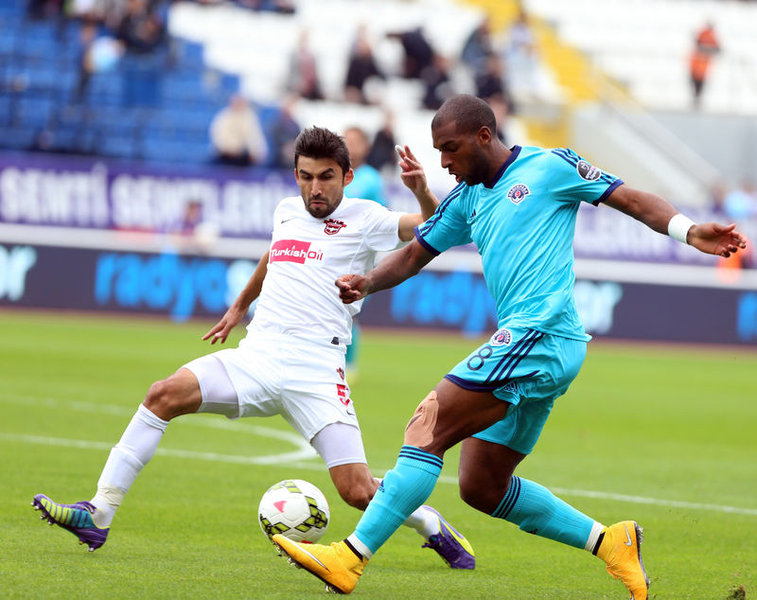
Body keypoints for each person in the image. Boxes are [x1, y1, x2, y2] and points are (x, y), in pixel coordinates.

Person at [271, 95, 749, 598]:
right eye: (438, 151)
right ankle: (611, 542)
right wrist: (367, 281)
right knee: (482, 485)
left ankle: (350, 558)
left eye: (451, 149)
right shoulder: (468, 197)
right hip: (540, 347)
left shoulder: (550, 167)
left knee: (428, 426)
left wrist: (689, 230)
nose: (444, 162)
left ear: (484, 136)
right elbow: (414, 254)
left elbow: (630, 199)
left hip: (540, 334)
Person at [30, 126, 476, 571]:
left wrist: (421, 192)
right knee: (162, 394)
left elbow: (432, 227)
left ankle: (428, 522)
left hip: (317, 371)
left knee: (357, 491)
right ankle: (99, 513)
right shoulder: (286, 211)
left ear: (347, 176)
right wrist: (239, 305)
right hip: (256, 357)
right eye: (306, 177)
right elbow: (274, 253)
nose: (315, 188)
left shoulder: (368, 217)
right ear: (295, 175)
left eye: (326, 177)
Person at [342, 126, 387, 379]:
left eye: (355, 142)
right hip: (334, 251)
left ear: (365, 147)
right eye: (345, 141)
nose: (350, 147)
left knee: (350, 310)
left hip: (359, 254)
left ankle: (348, 365)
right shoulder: (335, 174)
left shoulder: (370, 178)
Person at [209, 94, 268, 167]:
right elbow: (218, 137)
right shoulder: (223, 117)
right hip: (225, 155)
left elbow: (255, 138)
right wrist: (230, 149)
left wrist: (256, 153)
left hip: (242, 156)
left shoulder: (249, 118)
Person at [689, 21, 720, 108]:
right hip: (698, 64)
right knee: (697, 83)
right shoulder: (704, 34)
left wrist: (707, 49)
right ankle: (696, 100)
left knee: (699, 84)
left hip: (702, 65)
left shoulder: (711, 36)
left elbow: (718, 49)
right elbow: (698, 44)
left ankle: (697, 100)